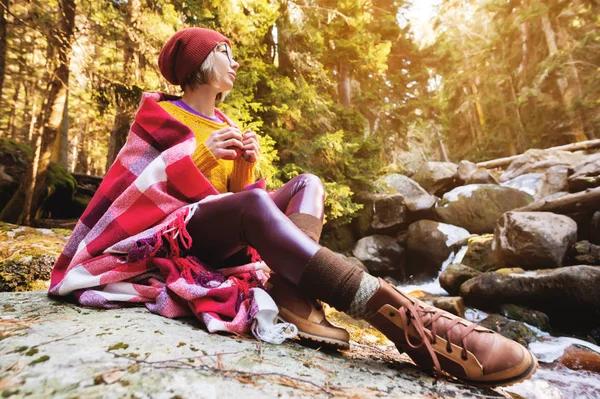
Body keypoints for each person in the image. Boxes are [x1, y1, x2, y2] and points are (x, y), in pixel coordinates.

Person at [49, 27, 537, 387]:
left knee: (307, 182)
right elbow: (135, 192)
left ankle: (291, 292)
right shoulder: (158, 116)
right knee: (255, 204)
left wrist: (243, 165)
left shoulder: (225, 120)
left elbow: (239, 199)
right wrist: (199, 155)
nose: (235, 63)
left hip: (219, 237)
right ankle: (410, 325)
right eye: (226, 53)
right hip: (167, 239)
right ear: (199, 64)